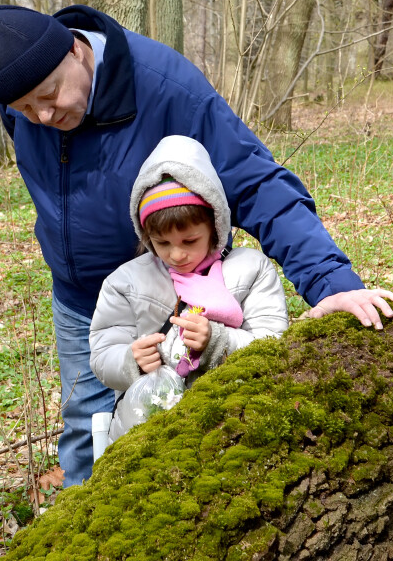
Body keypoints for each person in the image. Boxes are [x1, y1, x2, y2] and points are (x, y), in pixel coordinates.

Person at [0, 3, 393, 486]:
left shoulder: (165, 88)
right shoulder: (28, 99)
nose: (43, 116)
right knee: (84, 429)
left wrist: (331, 283)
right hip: (80, 300)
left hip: (177, 294)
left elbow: (257, 186)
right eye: (25, 109)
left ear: (75, 48)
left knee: (186, 420)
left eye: (49, 95)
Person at [89, 135, 290, 445]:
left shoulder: (251, 270)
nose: (176, 254)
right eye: (162, 243)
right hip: (147, 431)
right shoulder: (126, 283)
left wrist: (216, 341)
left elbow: (274, 346)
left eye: (189, 241)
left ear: (215, 226)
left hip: (233, 427)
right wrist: (131, 360)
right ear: (146, 235)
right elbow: (103, 353)